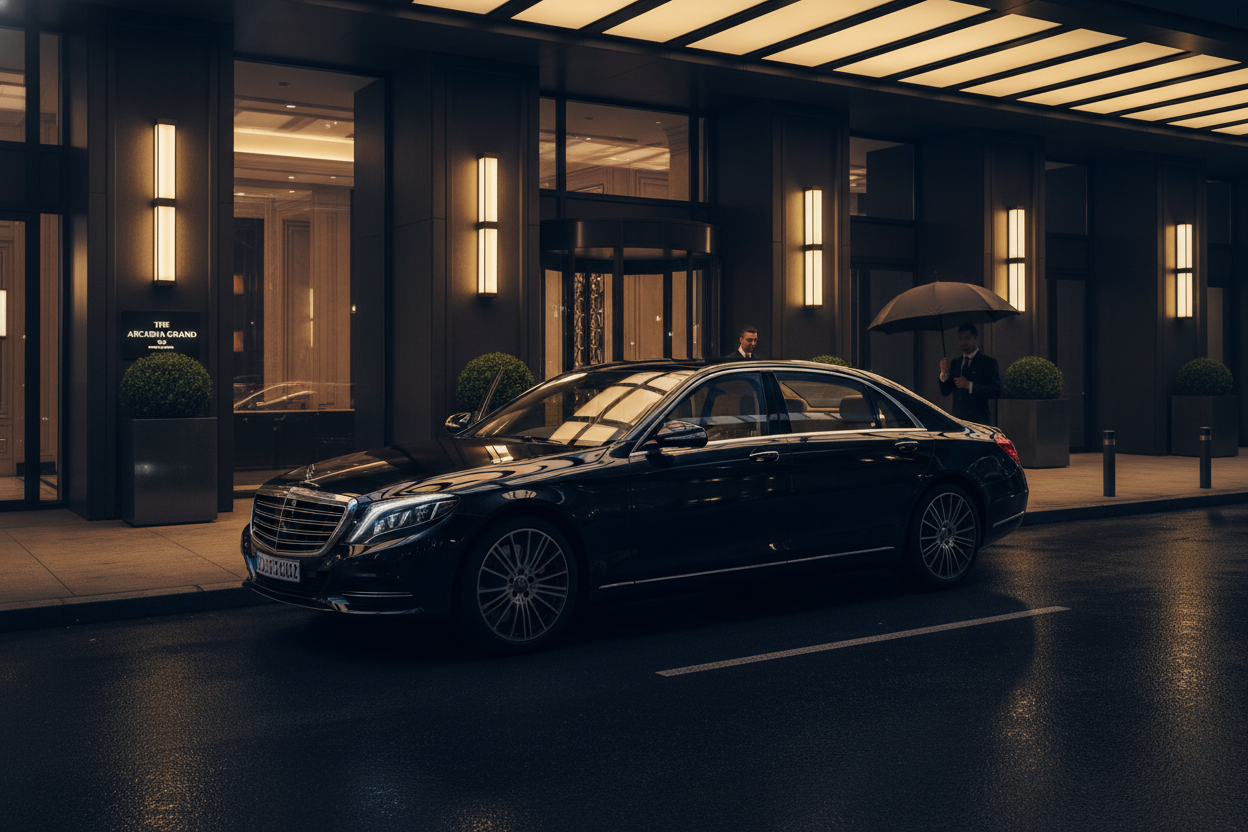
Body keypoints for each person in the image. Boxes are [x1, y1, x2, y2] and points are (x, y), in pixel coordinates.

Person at [939, 323, 1001, 425]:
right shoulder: (955, 362)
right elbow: (945, 391)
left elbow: (996, 391)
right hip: (958, 421)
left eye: (967, 338)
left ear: (975, 338)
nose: (963, 342)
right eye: (960, 338)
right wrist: (943, 373)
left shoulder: (988, 362)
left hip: (979, 421)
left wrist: (969, 385)